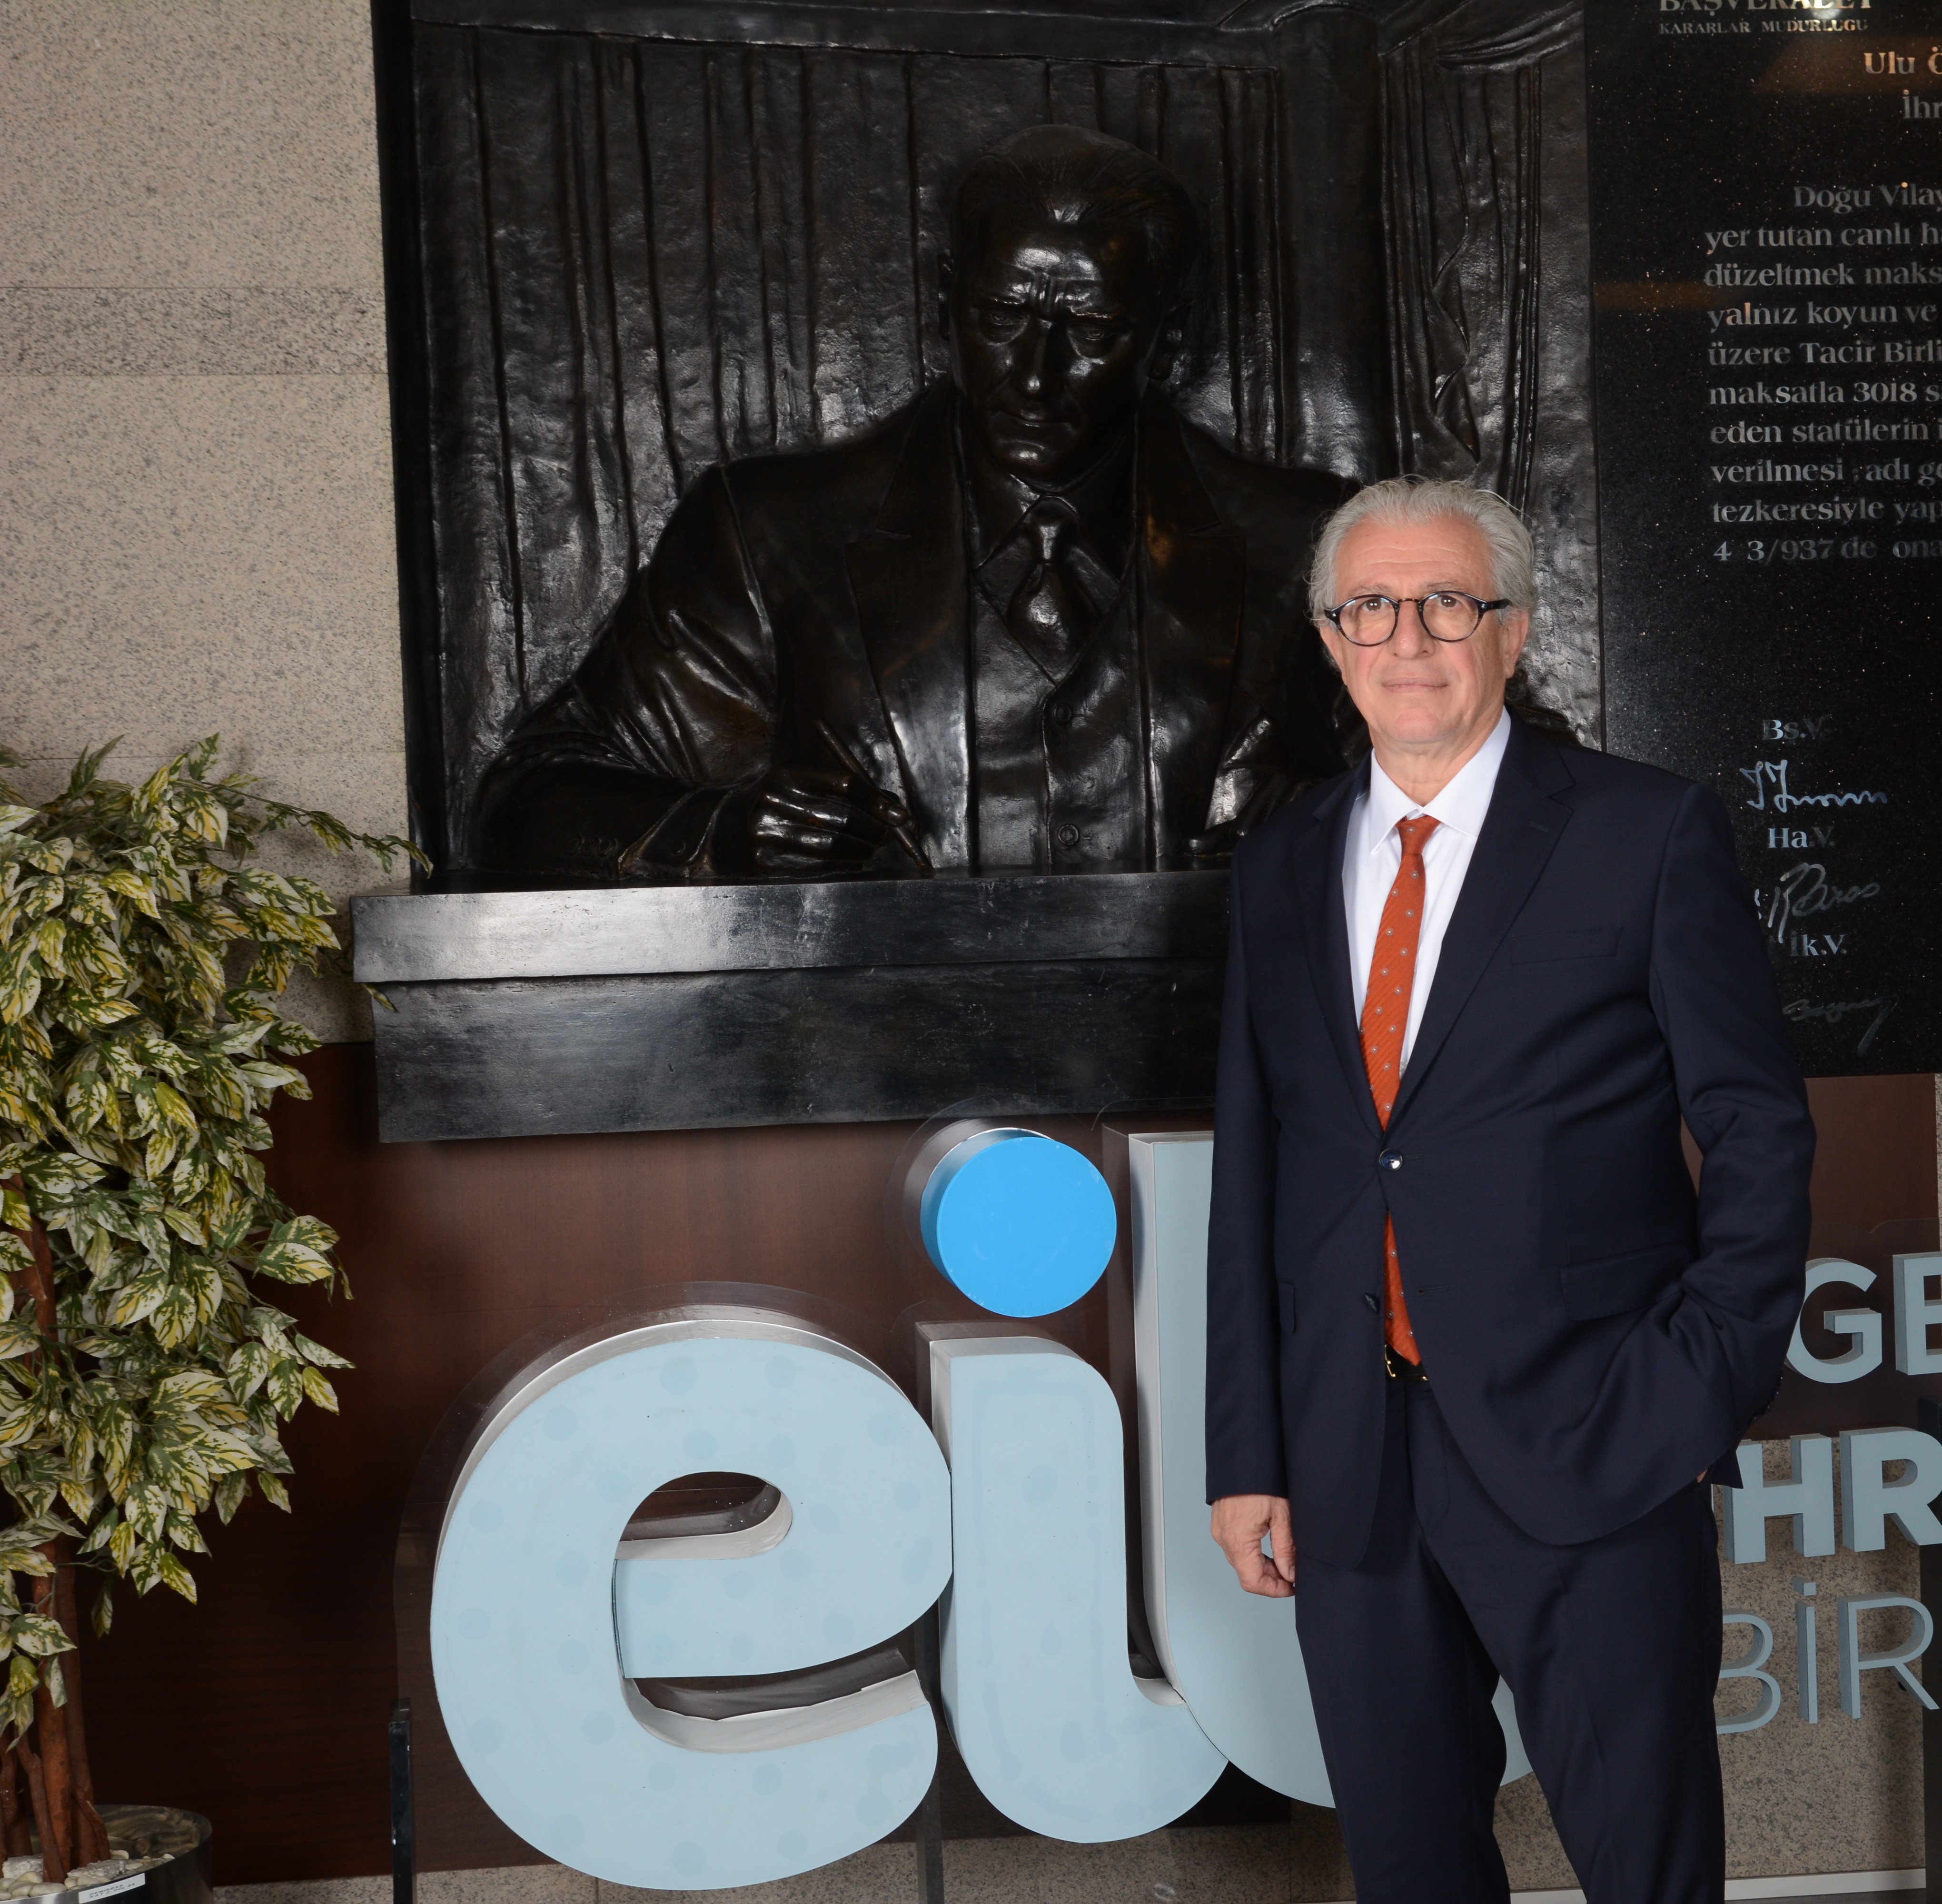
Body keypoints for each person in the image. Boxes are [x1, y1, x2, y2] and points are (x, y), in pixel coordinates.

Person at [1204, 477, 1815, 1901]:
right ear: (1331, 639)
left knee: (1647, 1866)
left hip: (1597, 1434)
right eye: (1372, 608)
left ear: (1515, 628)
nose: (1408, 639)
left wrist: (1698, 1383)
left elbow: (1758, 1126)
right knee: (1411, 1868)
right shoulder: (1281, 863)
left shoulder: (1643, 833)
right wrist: (1249, 1452)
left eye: (1448, 603)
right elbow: (1259, 1164)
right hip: (1351, 1462)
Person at [474, 124, 1349, 879]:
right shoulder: (773, 534)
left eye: (1090, 330)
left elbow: (1428, 790)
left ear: (1171, 334)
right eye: (1000, 315)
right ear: (944, 302)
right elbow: (525, 799)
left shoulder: (1309, 543)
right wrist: (720, 834)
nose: (1034, 377)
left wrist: (1342, 824)